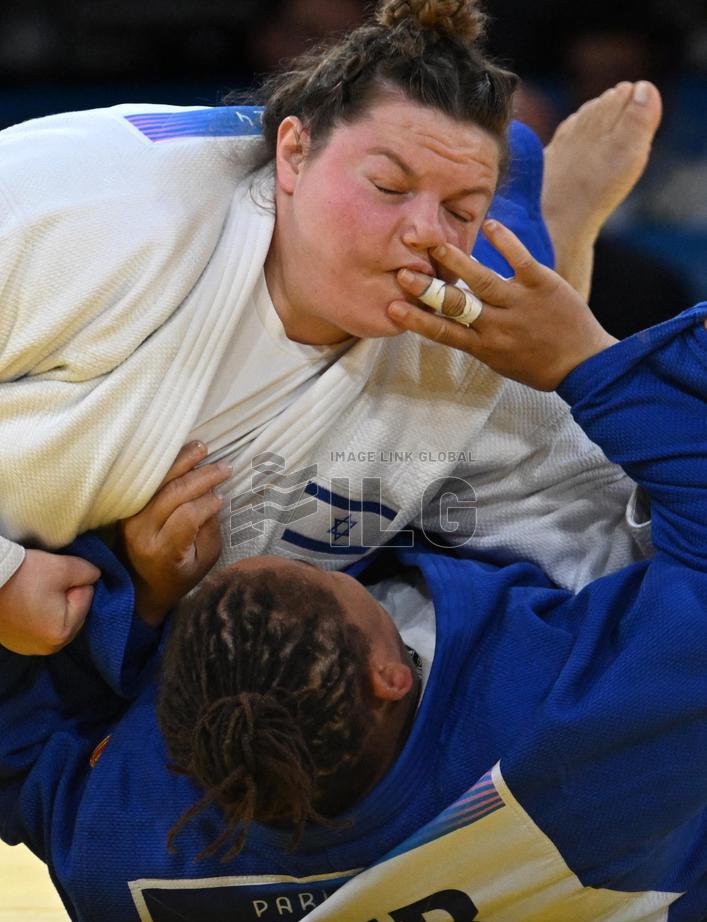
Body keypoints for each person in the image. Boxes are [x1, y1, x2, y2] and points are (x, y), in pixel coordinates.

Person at [1, 229, 705, 922]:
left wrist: (144, 603)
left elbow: (20, 752)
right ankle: (559, 237)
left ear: (176, 736)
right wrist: (586, 359)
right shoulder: (595, 725)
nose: (319, 564)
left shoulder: (123, 856)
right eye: (318, 584)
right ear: (390, 673)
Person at [0, 0, 662, 656]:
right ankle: (541, 231)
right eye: (386, 186)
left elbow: (636, 551)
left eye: (460, 209)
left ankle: (546, 242)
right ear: (293, 152)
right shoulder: (87, 204)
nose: (424, 233)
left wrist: (590, 361)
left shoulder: (458, 351)